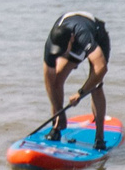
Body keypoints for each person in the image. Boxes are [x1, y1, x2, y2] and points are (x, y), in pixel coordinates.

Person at [41, 11, 111, 150]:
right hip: (71, 39)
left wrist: (80, 93)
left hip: (96, 35)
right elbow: (48, 80)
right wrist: (59, 111)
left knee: (96, 86)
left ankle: (99, 138)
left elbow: (101, 68)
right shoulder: (52, 42)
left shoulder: (82, 35)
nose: (59, 54)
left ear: (72, 39)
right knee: (56, 78)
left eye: (62, 50)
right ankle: (57, 127)